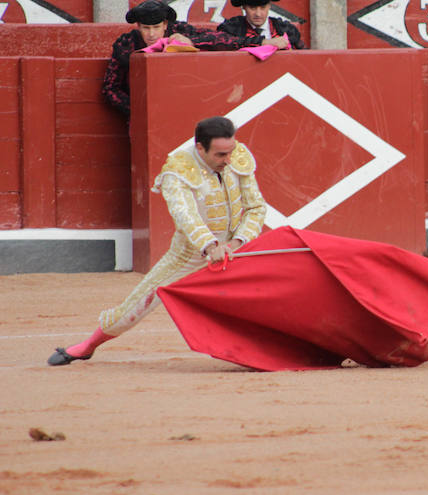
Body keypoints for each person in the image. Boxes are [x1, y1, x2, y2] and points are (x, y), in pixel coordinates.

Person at [47, 116, 268, 367]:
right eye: (220, 155)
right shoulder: (178, 170)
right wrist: (211, 246)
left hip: (235, 249)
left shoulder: (237, 157)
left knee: (265, 299)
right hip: (189, 255)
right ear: (200, 148)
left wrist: (236, 244)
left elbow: (256, 208)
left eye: (230, 152)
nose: (228, 160)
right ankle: (88, 346)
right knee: (138, 303)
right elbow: (186, 216)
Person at [102, 0, 244, 118]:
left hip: (185, 107)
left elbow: (220, 39)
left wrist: (191, 41)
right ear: (138, 26)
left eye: (156, 27)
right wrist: (140, 110)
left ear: (165, 25)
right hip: (145, 115)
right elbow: (110, 88)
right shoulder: (126, 44)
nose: (151, 34)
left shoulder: (179, 31)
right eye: (146, 28)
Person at [217, 0, 305, 49]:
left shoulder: (286, 29)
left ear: (269, 6)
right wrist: (263, 42)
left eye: (263, 8)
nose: (258, 14)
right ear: (244, 7)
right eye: (252, 8)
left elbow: (303, 58)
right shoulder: (231, 28)